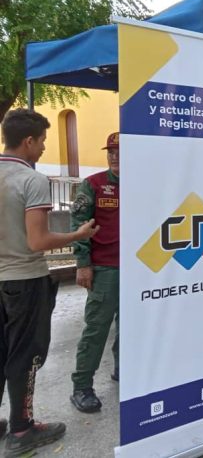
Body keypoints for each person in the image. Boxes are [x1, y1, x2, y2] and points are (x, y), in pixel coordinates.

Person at [0, 109, 98, 457]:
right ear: (28, 141)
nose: (43, 148)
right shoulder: (32, 180)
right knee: (25, 355)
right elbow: (38, 241)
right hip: (24, 280)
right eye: (42, 141)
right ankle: (22, 428)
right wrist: (78, 234)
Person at [69, 133, 122, 413]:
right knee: (97, 328)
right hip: (104, 268)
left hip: (139, 268)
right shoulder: (94, 184)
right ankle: (82, 386)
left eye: (120, 151)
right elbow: (79, 224)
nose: (114, 156)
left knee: (131, 326)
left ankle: (124, 369)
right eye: (110, 151)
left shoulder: (145, 181)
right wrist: (83, 263)